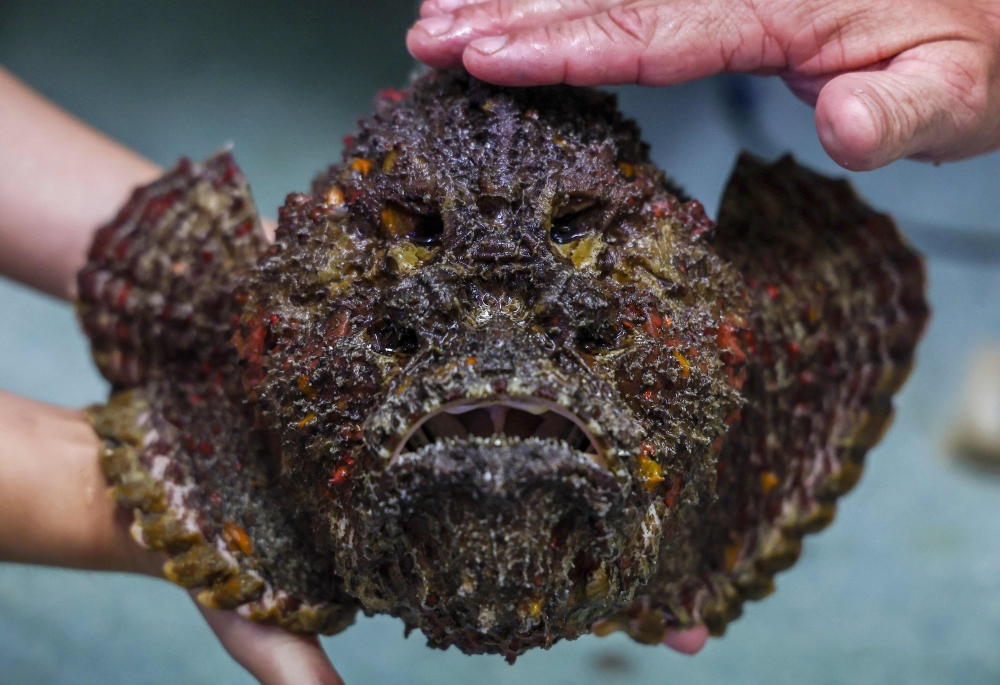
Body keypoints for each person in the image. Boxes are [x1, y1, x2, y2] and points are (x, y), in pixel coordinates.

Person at [2, 0, 1000, 682]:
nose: (495, 378)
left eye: (595, 327)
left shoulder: (729, 342)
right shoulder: (267, 316)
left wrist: (151, 493)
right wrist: (97, 490)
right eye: (399, 332)